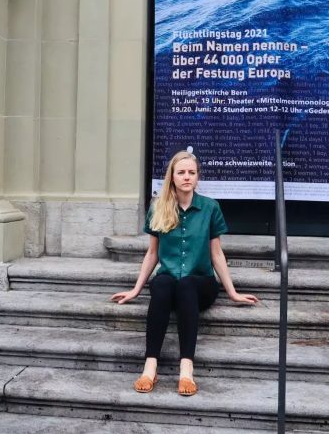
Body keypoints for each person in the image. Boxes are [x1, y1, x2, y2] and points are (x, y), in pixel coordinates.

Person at [110, 151, 259, 396]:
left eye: (191, 172)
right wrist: (136, 289)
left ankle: (186, 370)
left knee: (187, 284)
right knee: (162, 284)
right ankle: (150, 366)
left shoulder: (211, 208)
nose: (187, 177)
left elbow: (217, 255)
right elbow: (152, 254)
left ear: (198, 177)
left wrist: (232, 293)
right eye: (181, 172)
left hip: (201, 284)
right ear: (172, 177)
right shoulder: (158, 208)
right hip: (170, 284)